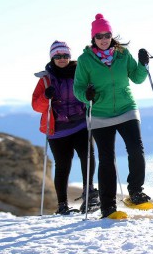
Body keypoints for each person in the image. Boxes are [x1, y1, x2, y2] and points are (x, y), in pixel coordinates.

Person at [73, 13, 152, 218]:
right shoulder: (84, 60)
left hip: (127, 108)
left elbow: (136, 78)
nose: (103, 39)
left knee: (136, 149)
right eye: (99, 36)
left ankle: (135, 193)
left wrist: (143, 65)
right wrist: (85, 95)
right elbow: (78, 88)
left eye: (106, 35)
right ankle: (108, 206)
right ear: (93, 38)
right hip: (100, 113)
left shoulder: (122, 54)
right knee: (107, 158)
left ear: (111, 35)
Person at [32, 40, 100, 215]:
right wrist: (45, 97)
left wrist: (91, 95)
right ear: (52, 57)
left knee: (88, 156)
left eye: (65, 55)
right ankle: (62, 204)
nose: (62, 59)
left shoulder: (80, 72)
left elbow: (91, 93)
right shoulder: (46, 80)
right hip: (58, 130)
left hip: (81, 124)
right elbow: (36, 106)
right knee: (63, 165)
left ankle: (89, 194)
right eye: (58, 56)